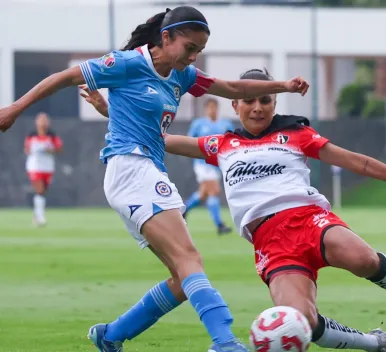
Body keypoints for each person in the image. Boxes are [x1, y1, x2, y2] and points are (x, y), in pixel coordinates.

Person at [81, 68, 386, 351]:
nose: (257, 108)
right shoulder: (220, 145)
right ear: (235, 104)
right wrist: (110, 112)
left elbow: (358, 162)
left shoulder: (297, 134)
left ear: (274, 102)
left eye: (265, 100)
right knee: (301, 322)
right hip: (271, 243)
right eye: (249, 100)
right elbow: (157, 138)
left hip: (309, 220)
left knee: (363, 258)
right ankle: (377, 344)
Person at [0, 7, 309, 352]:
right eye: (189, 47)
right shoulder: (127, 64)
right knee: (190, 259)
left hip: (146, 171)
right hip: (130, 169)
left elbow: (232, 87)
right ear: (166, 37)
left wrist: (283, 85)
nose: (193, 57)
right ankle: (224, 343)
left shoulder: (182, 74)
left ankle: (110, 336)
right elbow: (65, 77)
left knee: (182, 278)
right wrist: (14, 108)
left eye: (199, 51)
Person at [184, 98, 234, 234]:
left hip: (217, 164)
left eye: (214, 107)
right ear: (206, 109)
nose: (212, 110)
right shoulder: (199, 124)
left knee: (202, 195)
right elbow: (189, 141)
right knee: (214, 191)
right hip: (202, 163)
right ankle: (220, 225)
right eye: (210, 107)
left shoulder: (225, 124)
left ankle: (182, 210)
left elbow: (232, 142)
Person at [24, 112, 63, 226]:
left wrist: (49, 150)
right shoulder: (32, 135)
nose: (43, 123)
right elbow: (27, 149)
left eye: (45, 120)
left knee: (43, 191)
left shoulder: (52, 136)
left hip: (48, 167)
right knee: (39, 190)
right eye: (41, 120)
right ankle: (40, 217)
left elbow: (59, 149)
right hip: (35, 166)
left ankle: (36, 214)